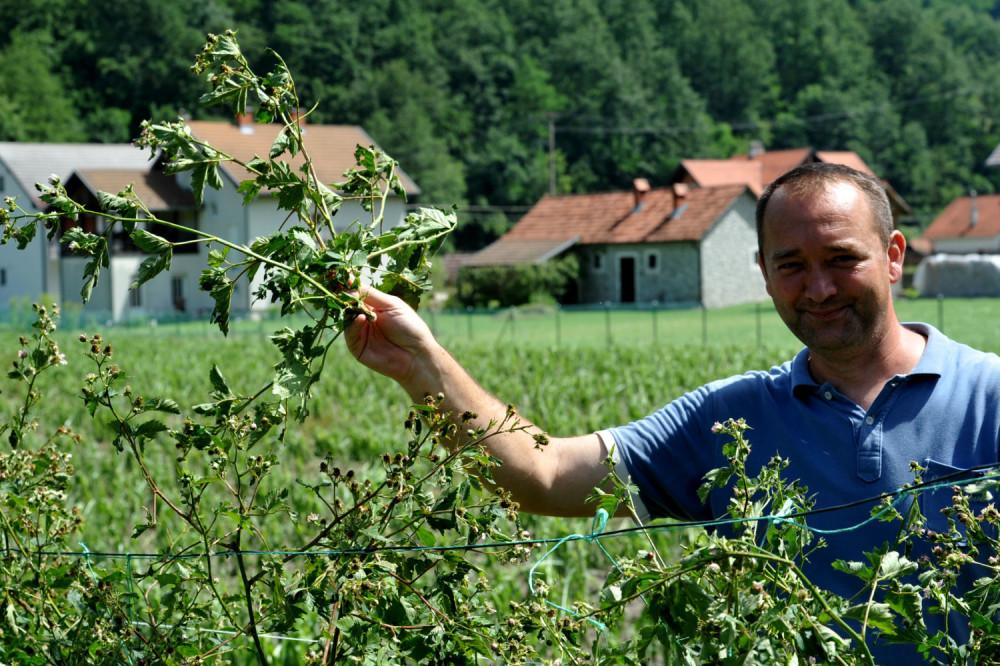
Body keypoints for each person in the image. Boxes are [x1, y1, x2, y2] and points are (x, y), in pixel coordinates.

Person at [346, 162, 1000, 663]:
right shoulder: (730, 421)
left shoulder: (990, 397)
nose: (819, 287)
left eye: (841, 259)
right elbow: (541, 473)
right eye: (792, 266)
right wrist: (421, 363)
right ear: (765, 276)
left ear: (892, 256)